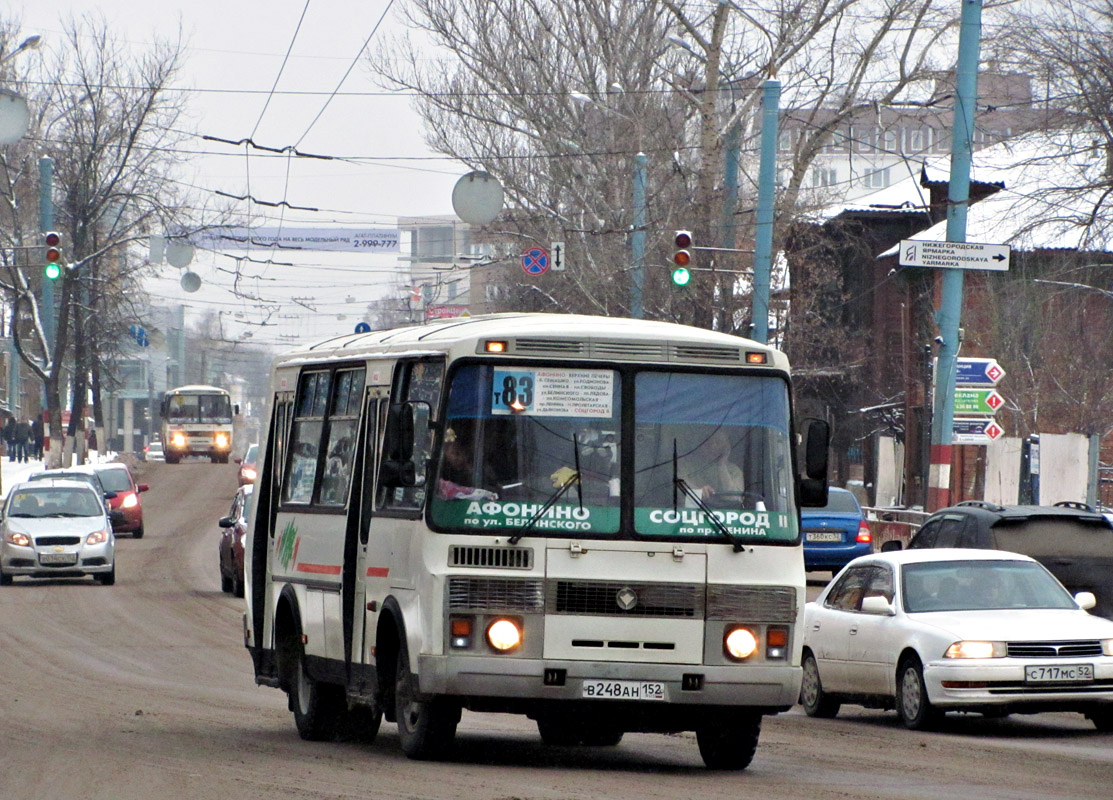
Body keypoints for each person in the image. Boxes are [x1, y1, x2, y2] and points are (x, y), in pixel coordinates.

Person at [686, 428, 745, 502]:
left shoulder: (734, 471)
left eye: (718, 442)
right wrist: (699, 492)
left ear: (725, 447)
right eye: (709, 442)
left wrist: (721, 465)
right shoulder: (687, 467)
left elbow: (735, 499)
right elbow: (679, 491)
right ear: (701, 444)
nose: (713, 446)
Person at [437, 429, 497, 501]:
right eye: (453, 454)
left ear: (465, 452)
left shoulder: (482, 469)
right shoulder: (444, 473)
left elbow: (494, 488)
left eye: (458, 453)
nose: (456, 458)